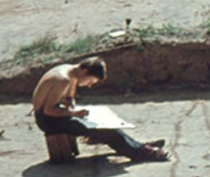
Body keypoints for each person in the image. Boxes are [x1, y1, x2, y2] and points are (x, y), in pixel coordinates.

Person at [31, 57, 168, 162]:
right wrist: (73, 113)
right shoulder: (64, 79)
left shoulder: (71, 72)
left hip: (57, 115)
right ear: (85, 71)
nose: (90, 85)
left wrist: (71, 105)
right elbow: (48, 110)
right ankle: (141, 153)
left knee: (109, 125)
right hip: (48, 121)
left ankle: (139, 146)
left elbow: (69, 97)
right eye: (91, 81)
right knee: (105, 131)